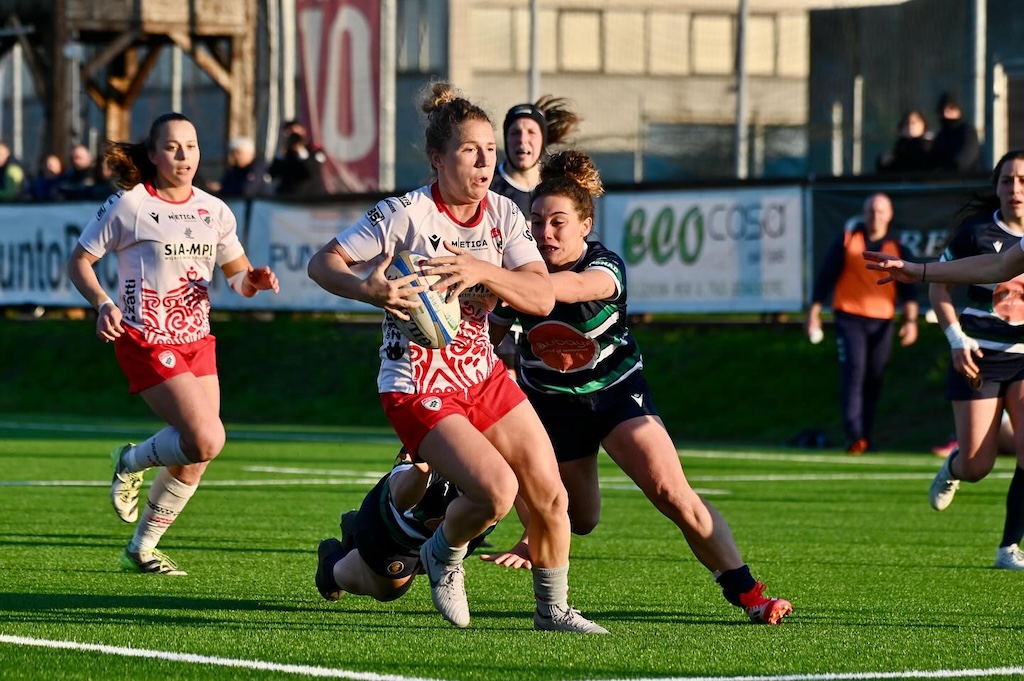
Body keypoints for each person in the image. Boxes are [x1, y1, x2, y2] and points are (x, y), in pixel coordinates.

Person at [306, 82, 605, 634]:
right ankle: (442, 554)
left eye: (490, 150)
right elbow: (323, 263)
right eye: (471, 150)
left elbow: (540, 296)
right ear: (438, 159)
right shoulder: (406, 214)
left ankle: (552, 610)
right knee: (495, 491)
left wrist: (482, 271)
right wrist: (368, 290)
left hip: (481, 372)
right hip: (416, 381)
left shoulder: (505, 217)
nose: (485, 161)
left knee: (550, 493)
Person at [486, 149, 792, 625]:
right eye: (537, 222)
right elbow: (486, 338)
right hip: (552, 407)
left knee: (670, 490)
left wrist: (501, 279)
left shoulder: (604, 266)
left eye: (558, 223)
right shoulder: (521, 273)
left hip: (616, 394)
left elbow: (571, 291)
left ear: (585, 224)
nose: (544, 233)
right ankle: (521, 527)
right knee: (578, 519)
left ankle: (748, 593)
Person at [66, 112, 280, 576]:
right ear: (153, 154)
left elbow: (237, 277)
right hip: (145, 337)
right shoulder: (130, 204)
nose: (184, 156)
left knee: (199, 452)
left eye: (192, 145)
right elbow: (80, 262)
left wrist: (254, 280)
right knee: (207, 437)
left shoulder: (214, 209)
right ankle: (130, 460)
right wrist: (103, 303)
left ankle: (141, 549)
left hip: (197, 340)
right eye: (172, 147)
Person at [865, 149, 1024, 571]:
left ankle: (1009, 547)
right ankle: (954, 467)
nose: (1015, 189)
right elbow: (999, 263)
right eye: (1008, 180)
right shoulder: (978, 233)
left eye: (1022, 180)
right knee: (977, 465)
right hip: (981, 355)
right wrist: (919, 272)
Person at [806, 193, 920, 454]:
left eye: (881, 211)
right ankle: (854, 436)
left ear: (889, 215)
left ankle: (866, 436)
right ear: (864, 212)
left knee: (873, 378)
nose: (875, 216)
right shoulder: (848, 240)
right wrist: (813, 313)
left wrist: (910, 322)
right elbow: (825, 278)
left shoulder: (898, 246)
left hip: (883, 321)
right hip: (850, 317)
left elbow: (909, 292)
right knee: (854, 372)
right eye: (871, 210)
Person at [315, 449, 492, 603]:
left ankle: (355, 535)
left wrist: (522, 540)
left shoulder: (506, 436)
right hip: (400, 531)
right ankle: (330, 567)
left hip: (448, 535)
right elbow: (401, 497)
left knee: (430, 561)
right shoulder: (442, 435)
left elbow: (519, 478)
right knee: (389, 589)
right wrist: (421, 473)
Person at [490, 95, 580, 216]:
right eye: (515, 132)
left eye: (531, 132)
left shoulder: (559, 187)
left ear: (542, 140)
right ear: (506, 140)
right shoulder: (487, 187)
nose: (522, 139)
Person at [268, 119, 326, 198]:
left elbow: (313, 173)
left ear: (303, 131)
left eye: (294, 131)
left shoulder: (313, 151)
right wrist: (280, 155)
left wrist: (301, 152)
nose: (292, 135)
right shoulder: (285, 153)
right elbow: (272, 174)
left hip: (308, 198)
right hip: (286, 197)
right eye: (289, 131)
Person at [930, 91, 982, 175]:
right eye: (943, 110)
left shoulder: (967, 133)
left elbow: (962, 162)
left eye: (951, 109)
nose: (946, 114)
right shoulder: (941, 136)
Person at [877, 109, 933, 175]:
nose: (910, 126)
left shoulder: (929, 147)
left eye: (914, 122)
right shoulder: (898, 149)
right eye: (907, 123)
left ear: (923, 125)